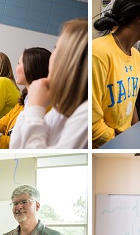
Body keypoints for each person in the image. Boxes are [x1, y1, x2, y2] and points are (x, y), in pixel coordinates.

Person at [92, 0, 140, 148]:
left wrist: (136, 136)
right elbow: (93, 124)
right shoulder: (98, 53)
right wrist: (124, 142)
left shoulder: (136, 56)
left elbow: (129, 108)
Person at [11, 18, 88, 149]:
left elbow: (36, 159)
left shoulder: (85, 114)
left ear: (69, 59)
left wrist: (35, 107)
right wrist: (31, 104)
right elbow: (17, 147)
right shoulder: (60, 109)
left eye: (56, 48)